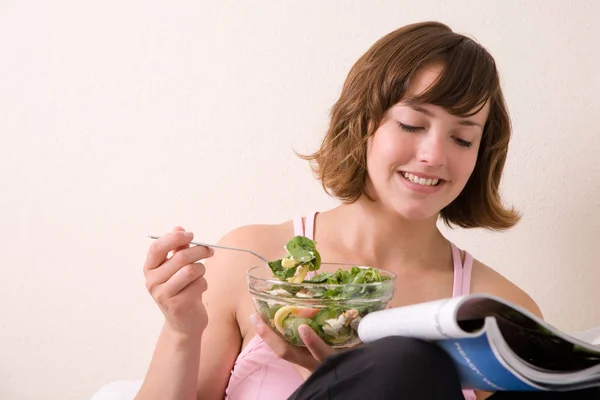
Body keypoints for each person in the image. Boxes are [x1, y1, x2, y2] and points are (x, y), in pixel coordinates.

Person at [134, 21, 599, 400]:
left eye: (463, 138)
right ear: (363, 125)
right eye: (413, 124)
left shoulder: (500, 311)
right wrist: (181, 330)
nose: (434, 155)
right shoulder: (252, 260)